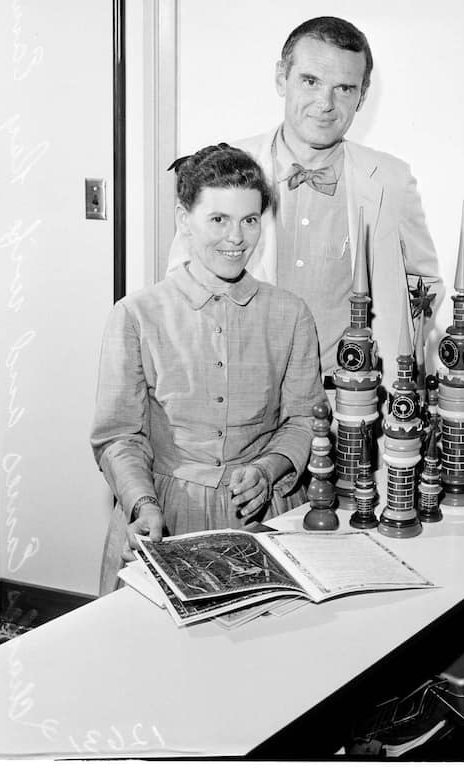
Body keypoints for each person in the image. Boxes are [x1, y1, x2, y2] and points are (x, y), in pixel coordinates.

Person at [92, 144, 324, 594]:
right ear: (185, 219)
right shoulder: (136, 315)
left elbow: (303, 420)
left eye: (250, 220)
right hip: (164, 516)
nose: (236, 238)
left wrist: (270, 467)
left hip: (264, 517)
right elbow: (118, 435)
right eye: (218, 219)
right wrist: (143, 505)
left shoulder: (292, 314)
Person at [167, 16, 443, 387]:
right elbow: (181, 279)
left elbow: (423, 284)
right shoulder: (225, 168)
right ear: (282, 77)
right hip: (243, 398)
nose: (325, 103)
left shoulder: (391, 180)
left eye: (344, 88)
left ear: (362, 94)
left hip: (352, 404)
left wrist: (394, 357)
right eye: (310, 81)